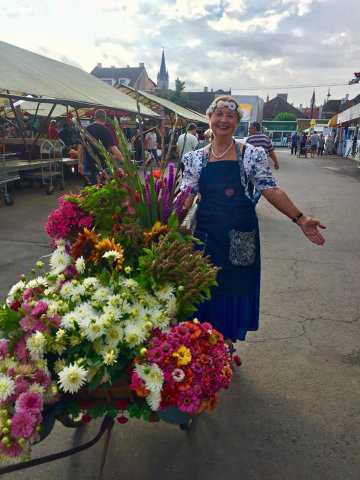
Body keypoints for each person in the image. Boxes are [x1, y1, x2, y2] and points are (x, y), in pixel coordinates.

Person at [180, 95, 325, 346]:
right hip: (205, 235)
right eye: (219, 114)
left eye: (230, 115)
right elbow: (186, 196)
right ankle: (203, 346)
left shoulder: (251, 154)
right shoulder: (195, 159)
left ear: (238, 121)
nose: (224, 120)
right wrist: (161, 218)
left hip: (240, 233)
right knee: (203, 288)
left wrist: (300, 218)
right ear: (209, 118)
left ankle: (224, 346)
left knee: (233, 288)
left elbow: (271, 189)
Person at [77, 109, 123, 185]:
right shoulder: (105, 130)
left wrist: (80, 163)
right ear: (104, 119)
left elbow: (80, 147)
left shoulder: (85, 129)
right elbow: (113, 148)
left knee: (91, 189)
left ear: (95, 117)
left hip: (89, 165)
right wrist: (124, 161)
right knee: (102, 189)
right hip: (103, 167)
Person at [246, 121, 279, 204]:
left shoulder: (249, 139)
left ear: (254, 128)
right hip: (262, 168)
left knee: (250, 185)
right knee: (261, 187)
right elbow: (271, 153)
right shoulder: (266, 138)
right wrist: (276, 162)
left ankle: (251, 201)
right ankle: (255, 199)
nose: (249, 130)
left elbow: (245, 154)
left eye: (250, 128)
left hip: (250, 167)